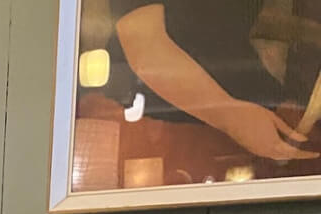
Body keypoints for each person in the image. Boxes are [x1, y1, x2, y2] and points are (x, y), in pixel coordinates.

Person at [111, 0, 319, 162]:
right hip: (183, 126)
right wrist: (233, 117)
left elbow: (227, 19)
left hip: (255, 112)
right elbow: (145, 45)